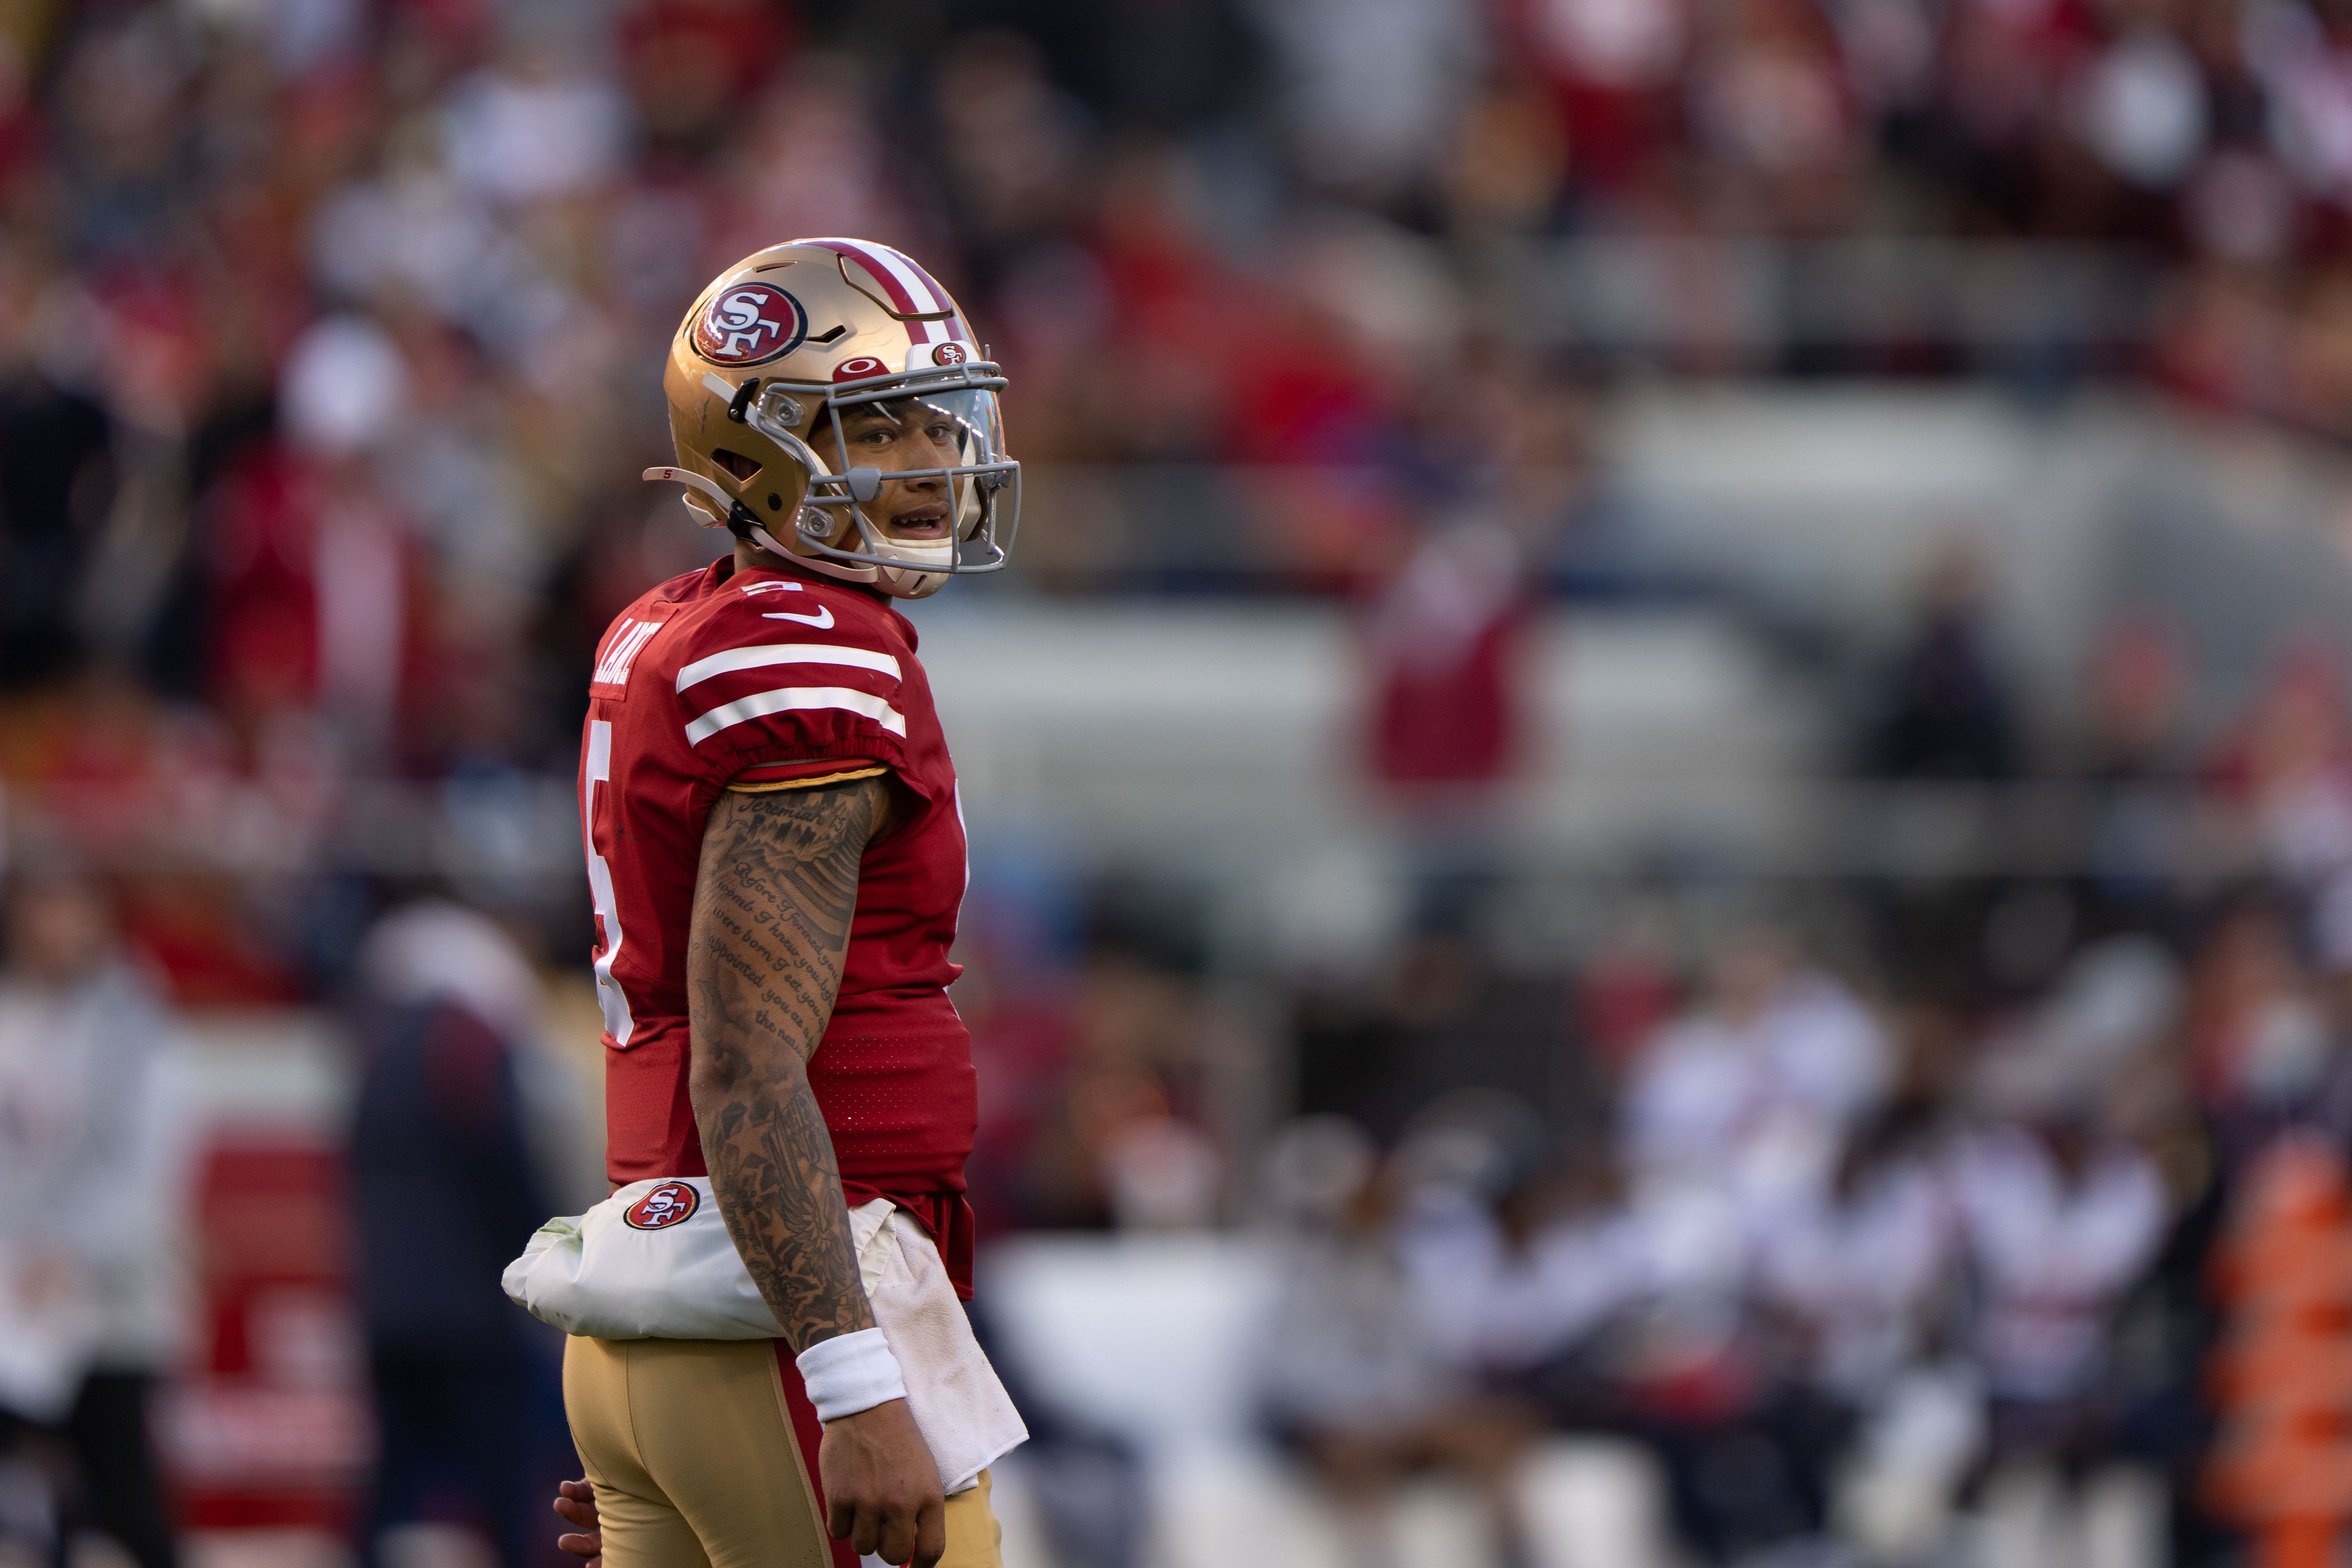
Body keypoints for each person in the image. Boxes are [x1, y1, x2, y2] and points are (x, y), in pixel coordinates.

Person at [547, 238, 1020, 1568]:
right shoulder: (805, 651)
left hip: (687, 1308)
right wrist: (849, 1387)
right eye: (880, 427)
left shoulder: (685, 621)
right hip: (788, 1314)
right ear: (759, 448)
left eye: (940, 417)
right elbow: (750, 1064)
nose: (933, 458)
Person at [0, 868, 190, 1568]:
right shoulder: (19, 1009)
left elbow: (142, 1161)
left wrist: (69, 1249)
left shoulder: (130, 1020)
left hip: (107, 1300)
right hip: (16, 1300)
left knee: (124, 1496)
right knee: (38, 1503)